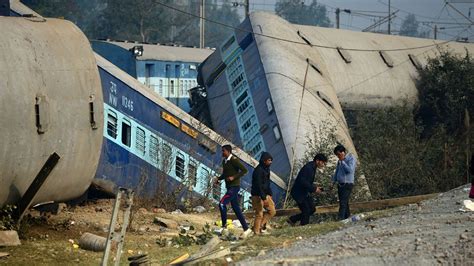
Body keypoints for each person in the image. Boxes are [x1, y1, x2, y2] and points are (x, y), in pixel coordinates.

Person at [215, 144, 253, 238]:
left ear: (228, 151)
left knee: (222, 204)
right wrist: (219, 179)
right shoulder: (225, 161)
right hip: (229, 187)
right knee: (236, 208)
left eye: (223, 151)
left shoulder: (234, 160)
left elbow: (244, 170)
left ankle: (224, 227)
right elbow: (225, 173)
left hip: (234, 187)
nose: (222, 152)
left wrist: (234, 177)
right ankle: (246, 229)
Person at [288, 153, 328, 226]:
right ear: (317, 160)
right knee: (306, 210)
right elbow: (302, 181)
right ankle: (303, 226)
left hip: (304, 192)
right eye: (322, 163)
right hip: (298, 193)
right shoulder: (308, 168)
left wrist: (315, 188)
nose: (323, 165)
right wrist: (314, 188)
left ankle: (292, 219)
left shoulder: (313, 167)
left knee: (312, 209)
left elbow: (307, 182)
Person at [251, 152, 276, 235]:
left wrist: (270, 194)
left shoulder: (267, 169)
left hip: (265, 194)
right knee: (259, 214)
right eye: (269, 160)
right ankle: (256, 232)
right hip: (257, 195)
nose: (271, 162)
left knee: (272, 211)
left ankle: (261, 225)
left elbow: (267, 183)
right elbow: (258, 186)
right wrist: (263, 198)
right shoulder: (258, 170)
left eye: (271, 160)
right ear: (264, 160)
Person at [332, 144, 357, 220]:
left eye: (339, 154)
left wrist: (343, 161)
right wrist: (333, 182)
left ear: (343, 152)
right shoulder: (339, 161)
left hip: (347, 184)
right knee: (344, 202)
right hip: (340, 184)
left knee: (342, 203)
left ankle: (340, 219)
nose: (338, 156)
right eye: (337, 155)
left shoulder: (350, 158)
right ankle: (347, 217)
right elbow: (337, 172)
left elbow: (349, 170)